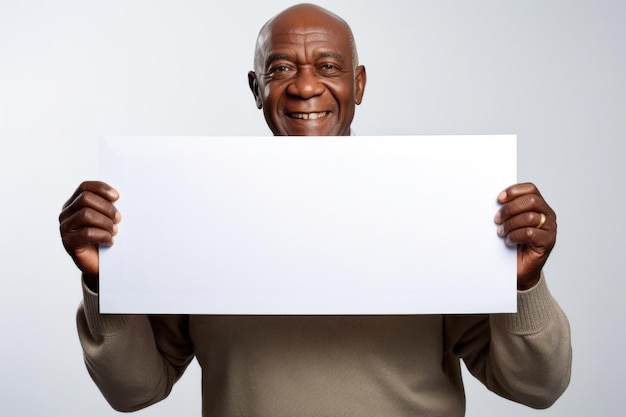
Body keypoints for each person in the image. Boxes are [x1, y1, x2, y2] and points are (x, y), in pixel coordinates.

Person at [59, 4, 571, 416]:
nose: (305, 87)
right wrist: (107, 282)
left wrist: (523, 285)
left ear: (360, 84)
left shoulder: (436, 207)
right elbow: (134, 392)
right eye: (281, 69)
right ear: (256, 88)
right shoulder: (191, 214)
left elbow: (537, 389)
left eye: (328, 66)